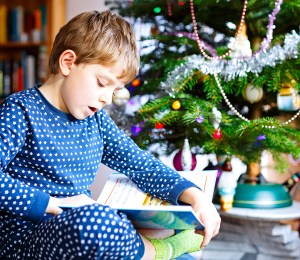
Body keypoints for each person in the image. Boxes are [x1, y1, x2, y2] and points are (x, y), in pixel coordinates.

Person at [0, 10, 220, 259]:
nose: (106, 98)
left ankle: (153, 245)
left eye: (115, 91)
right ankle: (162, 250)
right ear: (68, 63)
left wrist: (194, 195)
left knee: (139, 220)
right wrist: (47, 204)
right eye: (102, 84)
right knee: (96, 222)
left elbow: (141, 165)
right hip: (26, 239)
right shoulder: (20, 110)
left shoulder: (96, 121)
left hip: (77, 227)